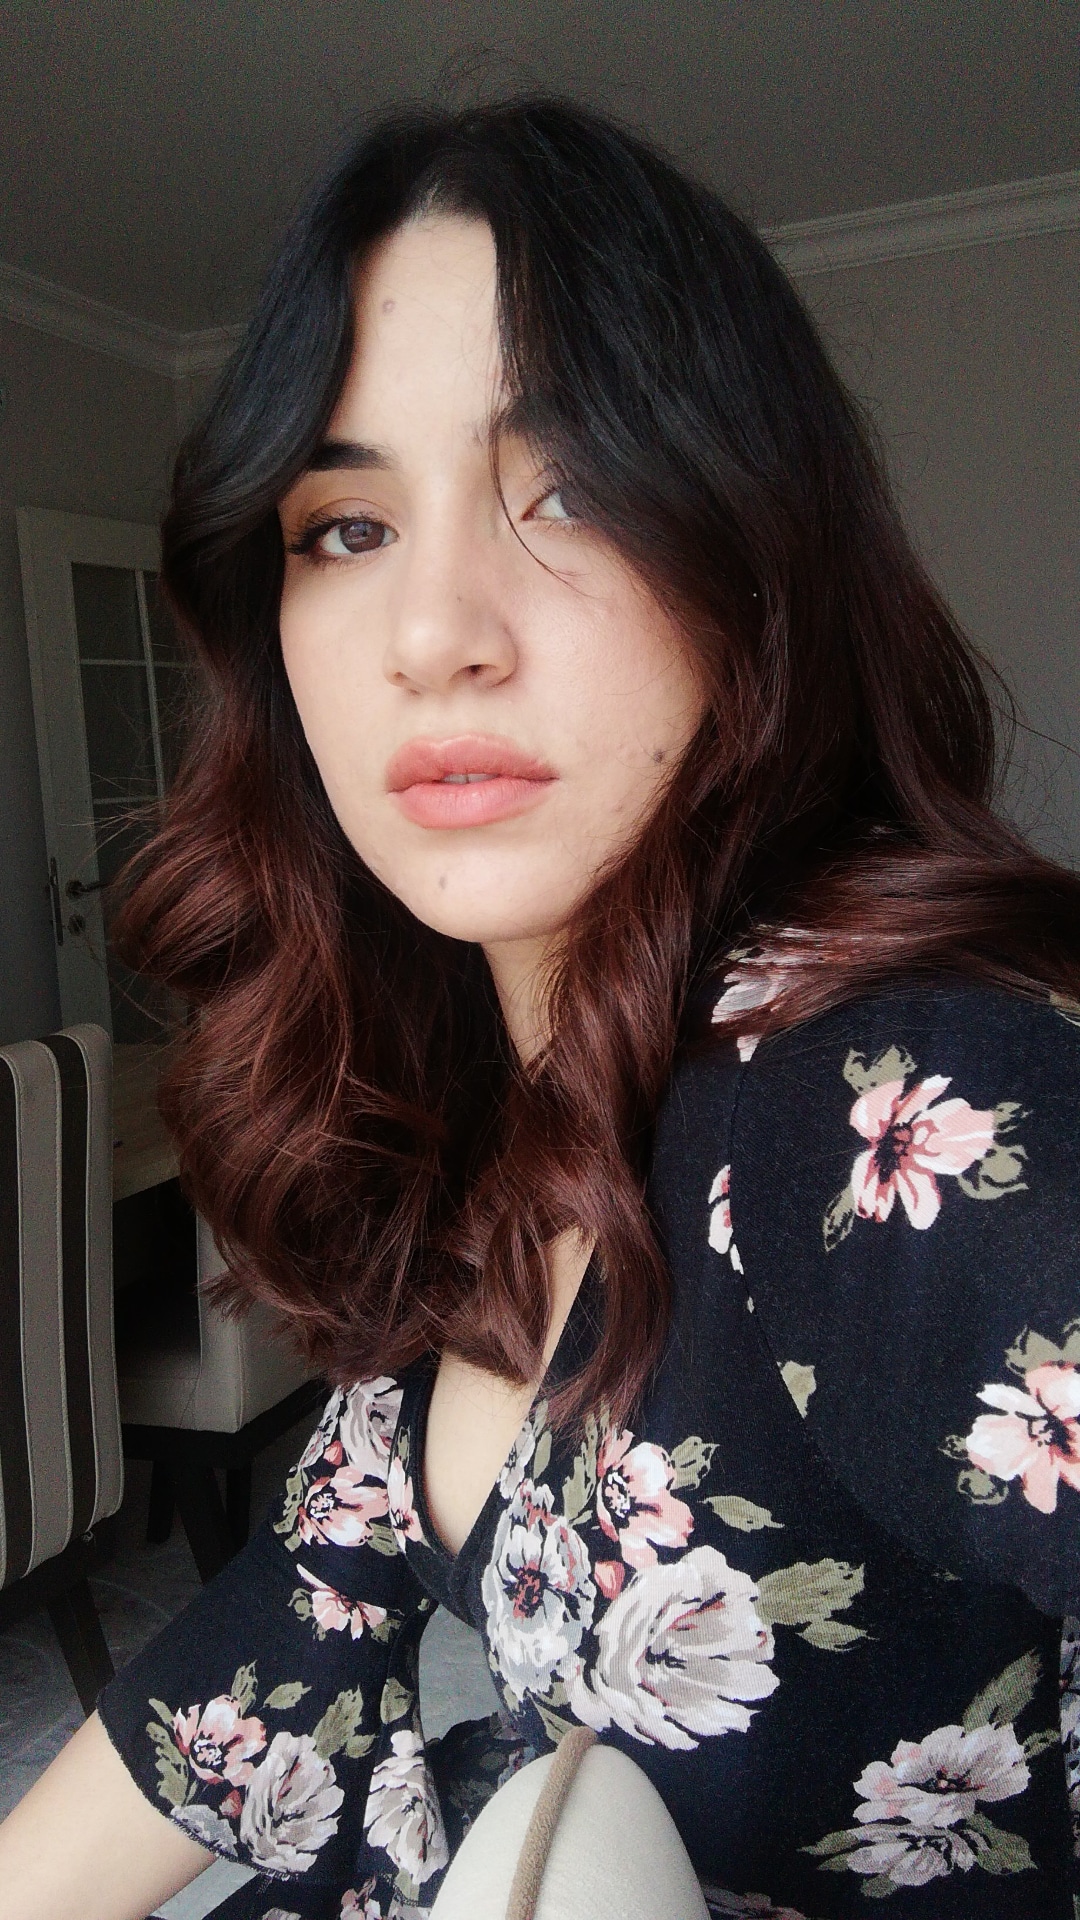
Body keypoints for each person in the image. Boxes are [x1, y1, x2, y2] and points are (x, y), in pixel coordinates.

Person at [4, 96, 1080, 1920]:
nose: (437, 630)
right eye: (348, 524)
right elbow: (290, 1629)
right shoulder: (480, 1101)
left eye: (568, 490)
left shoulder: (889, 1108)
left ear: (755, 566)